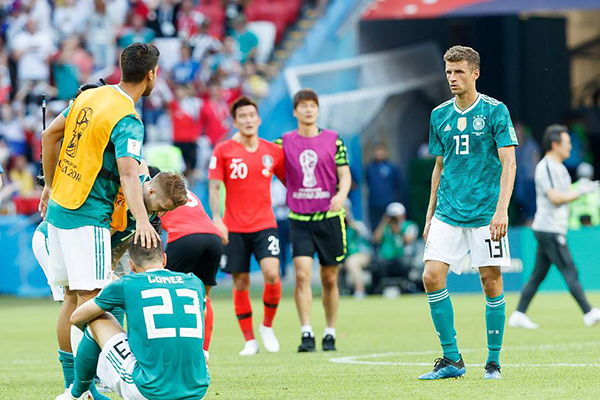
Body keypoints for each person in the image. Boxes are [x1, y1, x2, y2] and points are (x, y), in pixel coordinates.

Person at [38, 43, 161, 397]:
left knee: (72, 300)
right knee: (94, 302)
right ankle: (97, 387)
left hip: (60, 209)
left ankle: (75, 386)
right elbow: (129, 174)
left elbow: (49, 135)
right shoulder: (128, 119)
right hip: (88, 215)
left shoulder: (92, 95)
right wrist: (142, 220)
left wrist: (49, 187)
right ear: (151, 74)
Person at [420, 46, 518, 380]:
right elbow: (439, 166)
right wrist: (430, 214)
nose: (452, 78)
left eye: (459, 71)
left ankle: (493, 362)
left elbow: (509, 163)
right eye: (449, 72)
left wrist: (501, 210)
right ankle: (452, 359)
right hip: (447, 211)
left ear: (475, 73)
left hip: (485, 213)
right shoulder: (439, 115)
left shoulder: (495, 111)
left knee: (491, 281)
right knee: (431, 276)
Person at [55, 240, 209, 400]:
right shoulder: (193, 281)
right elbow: (202, 313)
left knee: (97, 318)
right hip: (197, 390)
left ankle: (77, 393)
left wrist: (96, 340)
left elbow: (76, 317)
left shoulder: (126, 284)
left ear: (132, 265)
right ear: (164, 259)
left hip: (149, 390)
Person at [276, 89, 352, 352]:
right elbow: (265, 161)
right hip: (299, 219)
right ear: (295, 111)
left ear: (318, 110)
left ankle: (330, 331)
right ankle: (306, 332)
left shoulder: (333, 139)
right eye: (304, 106)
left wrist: (341, 195)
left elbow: (345, 173)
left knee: (330, 278)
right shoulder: (283, 142)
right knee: (302, 275)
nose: (309, 110)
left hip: (329, 217)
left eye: (313, 106)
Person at [208, 96, 285, 355]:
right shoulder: (223, 150)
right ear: (235, 122)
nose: (248, 120)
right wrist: (217, 219)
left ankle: (267, 326)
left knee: (272, 274)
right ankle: (249, 340)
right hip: (234, 227)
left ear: (259, 119)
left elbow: (289, 181)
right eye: (242, 116)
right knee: (240, 283)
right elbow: (214, 186)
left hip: (265, 224)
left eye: (252, 115)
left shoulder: (273, 151)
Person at [509, 125, 600, 329]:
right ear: (554, 144)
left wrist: (579, 190)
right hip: (549, 228)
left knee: (538, 275)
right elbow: (555, 198)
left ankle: (518, 314)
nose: (570, 147)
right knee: (569, 269)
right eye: (567, 143)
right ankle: (588, 312)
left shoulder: (559, 167)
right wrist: (580, 192)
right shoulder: (547, 166)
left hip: (552, 227)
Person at [161, 187, 223, 361]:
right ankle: (204, 352)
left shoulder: (155, 190)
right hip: (213, 238)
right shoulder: (188, 191)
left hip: (184, 237)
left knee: (167, 293)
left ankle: (173, 352)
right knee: (204, 297)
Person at [371, 202, 418, 294]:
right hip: (385, 257)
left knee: (405, 263)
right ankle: (379, 288)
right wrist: (383, 222)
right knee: (378, 263)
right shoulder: (385, 226)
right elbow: (375, 239)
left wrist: (397, 228)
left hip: (402, 256)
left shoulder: (409, 225)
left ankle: (407, 286)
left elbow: (408, 240)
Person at [365, 143, 403, 230]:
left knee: (391, 225)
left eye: (381, 150)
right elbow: (367, 181)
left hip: (389, 202)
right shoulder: (369, 168)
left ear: (386, 152)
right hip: (374, 203)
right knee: (375, 226)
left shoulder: (392, 167)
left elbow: (398, 184)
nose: (379, 153)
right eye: (376, 150)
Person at [342, 200, 372, 299]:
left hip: (361, 254)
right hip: (343, 256)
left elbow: (367, 236)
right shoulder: (336, 227)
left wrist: (349, 220)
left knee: (352, 263)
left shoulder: (357, 224)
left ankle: (360, 291)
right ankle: (336, 293)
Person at [568, 162, 600, 229]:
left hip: (574, 229)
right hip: (594, 229)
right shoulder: (597, 188)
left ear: (577, 175)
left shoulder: (570, 188)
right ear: (592, 175)